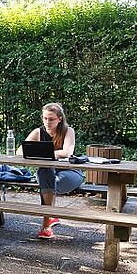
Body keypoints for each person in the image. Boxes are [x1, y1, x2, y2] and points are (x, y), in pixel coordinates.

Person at [16, 102, 82, 239]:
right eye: (45, 118)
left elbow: (67, 152)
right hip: (47, 172)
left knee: (47, 185)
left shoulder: (68, 131)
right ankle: (47, 223)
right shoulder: (37, 132)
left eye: (51, 119)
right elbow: (19, 151)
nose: (48, 122)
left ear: (59, 119)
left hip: (70, 172)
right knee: (45, 172)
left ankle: (48, 219)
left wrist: (43, 153)